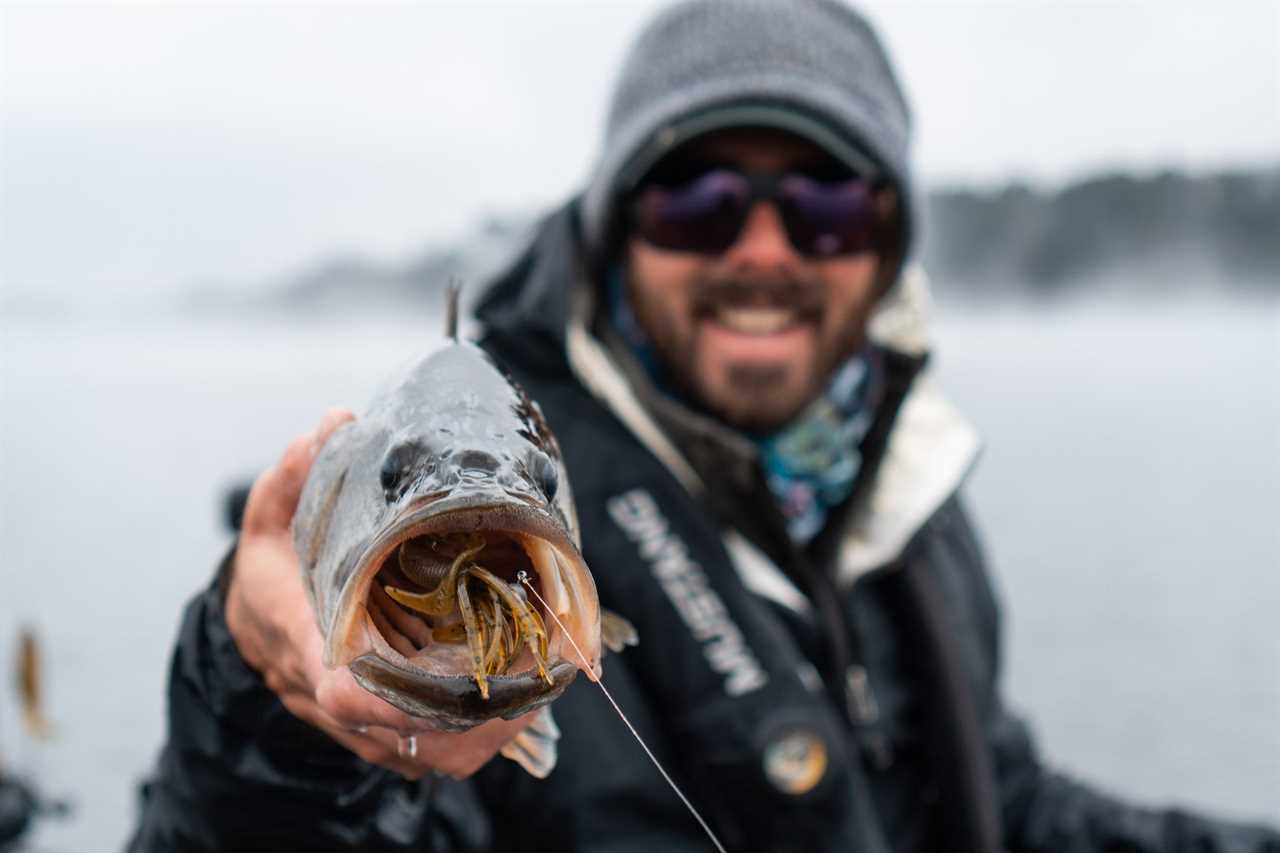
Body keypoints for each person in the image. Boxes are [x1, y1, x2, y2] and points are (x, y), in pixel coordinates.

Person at [128, 1, 1279, 850]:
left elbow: (994, 802)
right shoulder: (494, 492)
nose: (763, 252)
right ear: (615, 234)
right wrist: (261, 714)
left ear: (885, 245)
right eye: (699, 199)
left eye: (826, 204)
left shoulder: (905, 494)